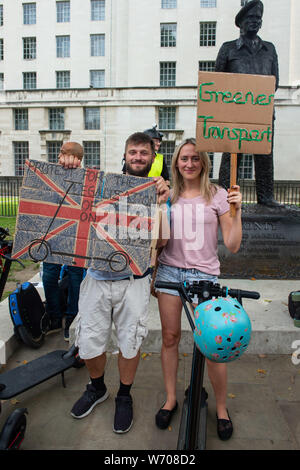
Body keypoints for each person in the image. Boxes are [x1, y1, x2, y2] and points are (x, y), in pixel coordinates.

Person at [59, 132, 170, 433]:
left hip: (134, 281)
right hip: (96, 278)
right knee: (91, 340)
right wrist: (69, 162)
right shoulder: (103, 186)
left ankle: (124, 395)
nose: (137, 157)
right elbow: (69, 190)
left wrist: (160, 205)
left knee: (129, 342)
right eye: (132, 152)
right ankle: (97, 388)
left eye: (143, 153)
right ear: (125, 155)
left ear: (152, 158)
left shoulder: (159, 193)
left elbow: (162, 242)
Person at [154, 138, 242, 441]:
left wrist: (236, 211)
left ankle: (220, 408)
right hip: (169, 272)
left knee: (213, 344)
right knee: (170, 337)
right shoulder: (168, 194)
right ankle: (170, 398)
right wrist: (157, 207)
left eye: (195, 158)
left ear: (203, 162)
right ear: (176, 162)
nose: (189, 164)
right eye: (183, 158)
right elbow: (159, 238)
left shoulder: (217, 195)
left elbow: (232, 244)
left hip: (204, 276)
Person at [215, 0, 280, 207]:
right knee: (231, 157)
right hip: (234, 113)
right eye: (250, 18)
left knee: (264, 156)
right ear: (240, 23)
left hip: (262, 112)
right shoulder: (228, 49)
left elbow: (274, 81)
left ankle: (266, 197)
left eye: (257, 19)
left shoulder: (269, 49)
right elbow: (218, 81)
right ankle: (224, 197)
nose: (254, 22)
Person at [43, 142, 86, 341]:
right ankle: (54, 316)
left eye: (64, 152)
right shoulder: (51, 174)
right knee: (49, 276)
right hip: (54, 234)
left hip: (75, 235)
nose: (59, 155)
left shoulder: (85, 178)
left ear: (75, 157)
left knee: (77, 277)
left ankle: (71, 318)